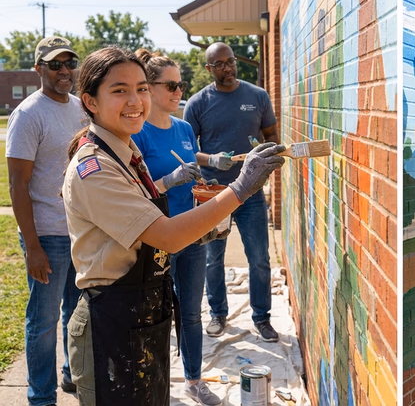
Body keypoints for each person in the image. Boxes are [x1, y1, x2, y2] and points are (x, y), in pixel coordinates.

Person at [62, 47, 285, 406]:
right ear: (89, 101)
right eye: (119, 90)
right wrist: (240, 188)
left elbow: (155, 229)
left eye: (141, 88)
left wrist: (207, 228)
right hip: (112, 325)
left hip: (139, 315)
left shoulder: (126, 152)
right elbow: (166, 235)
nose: (135, 100)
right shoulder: (96, 167)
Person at [131, 49, 222, 406]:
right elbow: (134, 189)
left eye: (181, 84)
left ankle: (195, 380)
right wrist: (169, 180)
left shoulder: (184, 128)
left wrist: (204, 185)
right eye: (170, 85)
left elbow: (192, 176)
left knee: (192, 311)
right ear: (149, 89)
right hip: (157, 235)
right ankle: (153, 383)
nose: (178, 92)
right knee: (155, 313)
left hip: (192, 233)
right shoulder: (139, 133)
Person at [6, 36, 85, 406]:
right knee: (43, 322)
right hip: (48, 236)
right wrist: (32, 246)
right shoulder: (28, 114)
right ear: (38, 69)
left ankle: (71, 374)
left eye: (69, 63)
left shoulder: (79, 107)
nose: (64, 71)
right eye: (55, 65)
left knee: (76, 312)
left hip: (80, 231)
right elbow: (18, 186)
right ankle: (41, 396)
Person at [183, 42, 280, 340]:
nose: (228, 67)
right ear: (209, 69)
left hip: (250, 194)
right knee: (214, 259)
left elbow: (272, 136)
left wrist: (263, 151)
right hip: (215, 195)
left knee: (259, 257)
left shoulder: (257, 96)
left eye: (230, 61)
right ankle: (217, 314)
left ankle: (262, 318)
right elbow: (187, 151)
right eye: (220, 64)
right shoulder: (197, 103)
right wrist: (212, 160)